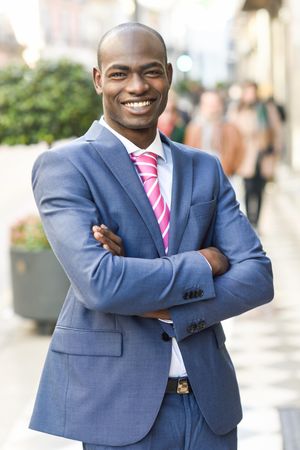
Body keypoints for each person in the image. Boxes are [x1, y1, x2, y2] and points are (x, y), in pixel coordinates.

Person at [29, 23, 274, 450]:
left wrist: (163, 306)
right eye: (120, 73)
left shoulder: (204, 168)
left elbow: (257, 277)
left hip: (209, 409)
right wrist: (206, 262)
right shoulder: (66, 167)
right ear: (98, 79)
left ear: (168, 77)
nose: (138, 86)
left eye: (151, 71)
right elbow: (101, 284)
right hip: (118, 410)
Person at [227, 81, 282, 228]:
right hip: (246, 155)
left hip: (263, 153)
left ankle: (257, 220)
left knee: (260, 188)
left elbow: (276, 129)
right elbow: (232, 131)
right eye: (248, 91)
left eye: (253, 91)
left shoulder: (266, 108)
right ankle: (250, 219)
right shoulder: (238, 109)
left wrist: (275, 149)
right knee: (248, 187)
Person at [184, 90, 244, 177]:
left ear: (221, 105)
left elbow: (239, 151)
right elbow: (187, 153)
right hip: (200, 176)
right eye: (209, 105)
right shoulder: (193, 128)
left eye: (215, 104)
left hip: (226, 176)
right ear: (202, 107)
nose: (213, 109)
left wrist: (231, 170)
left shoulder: (231, 128)